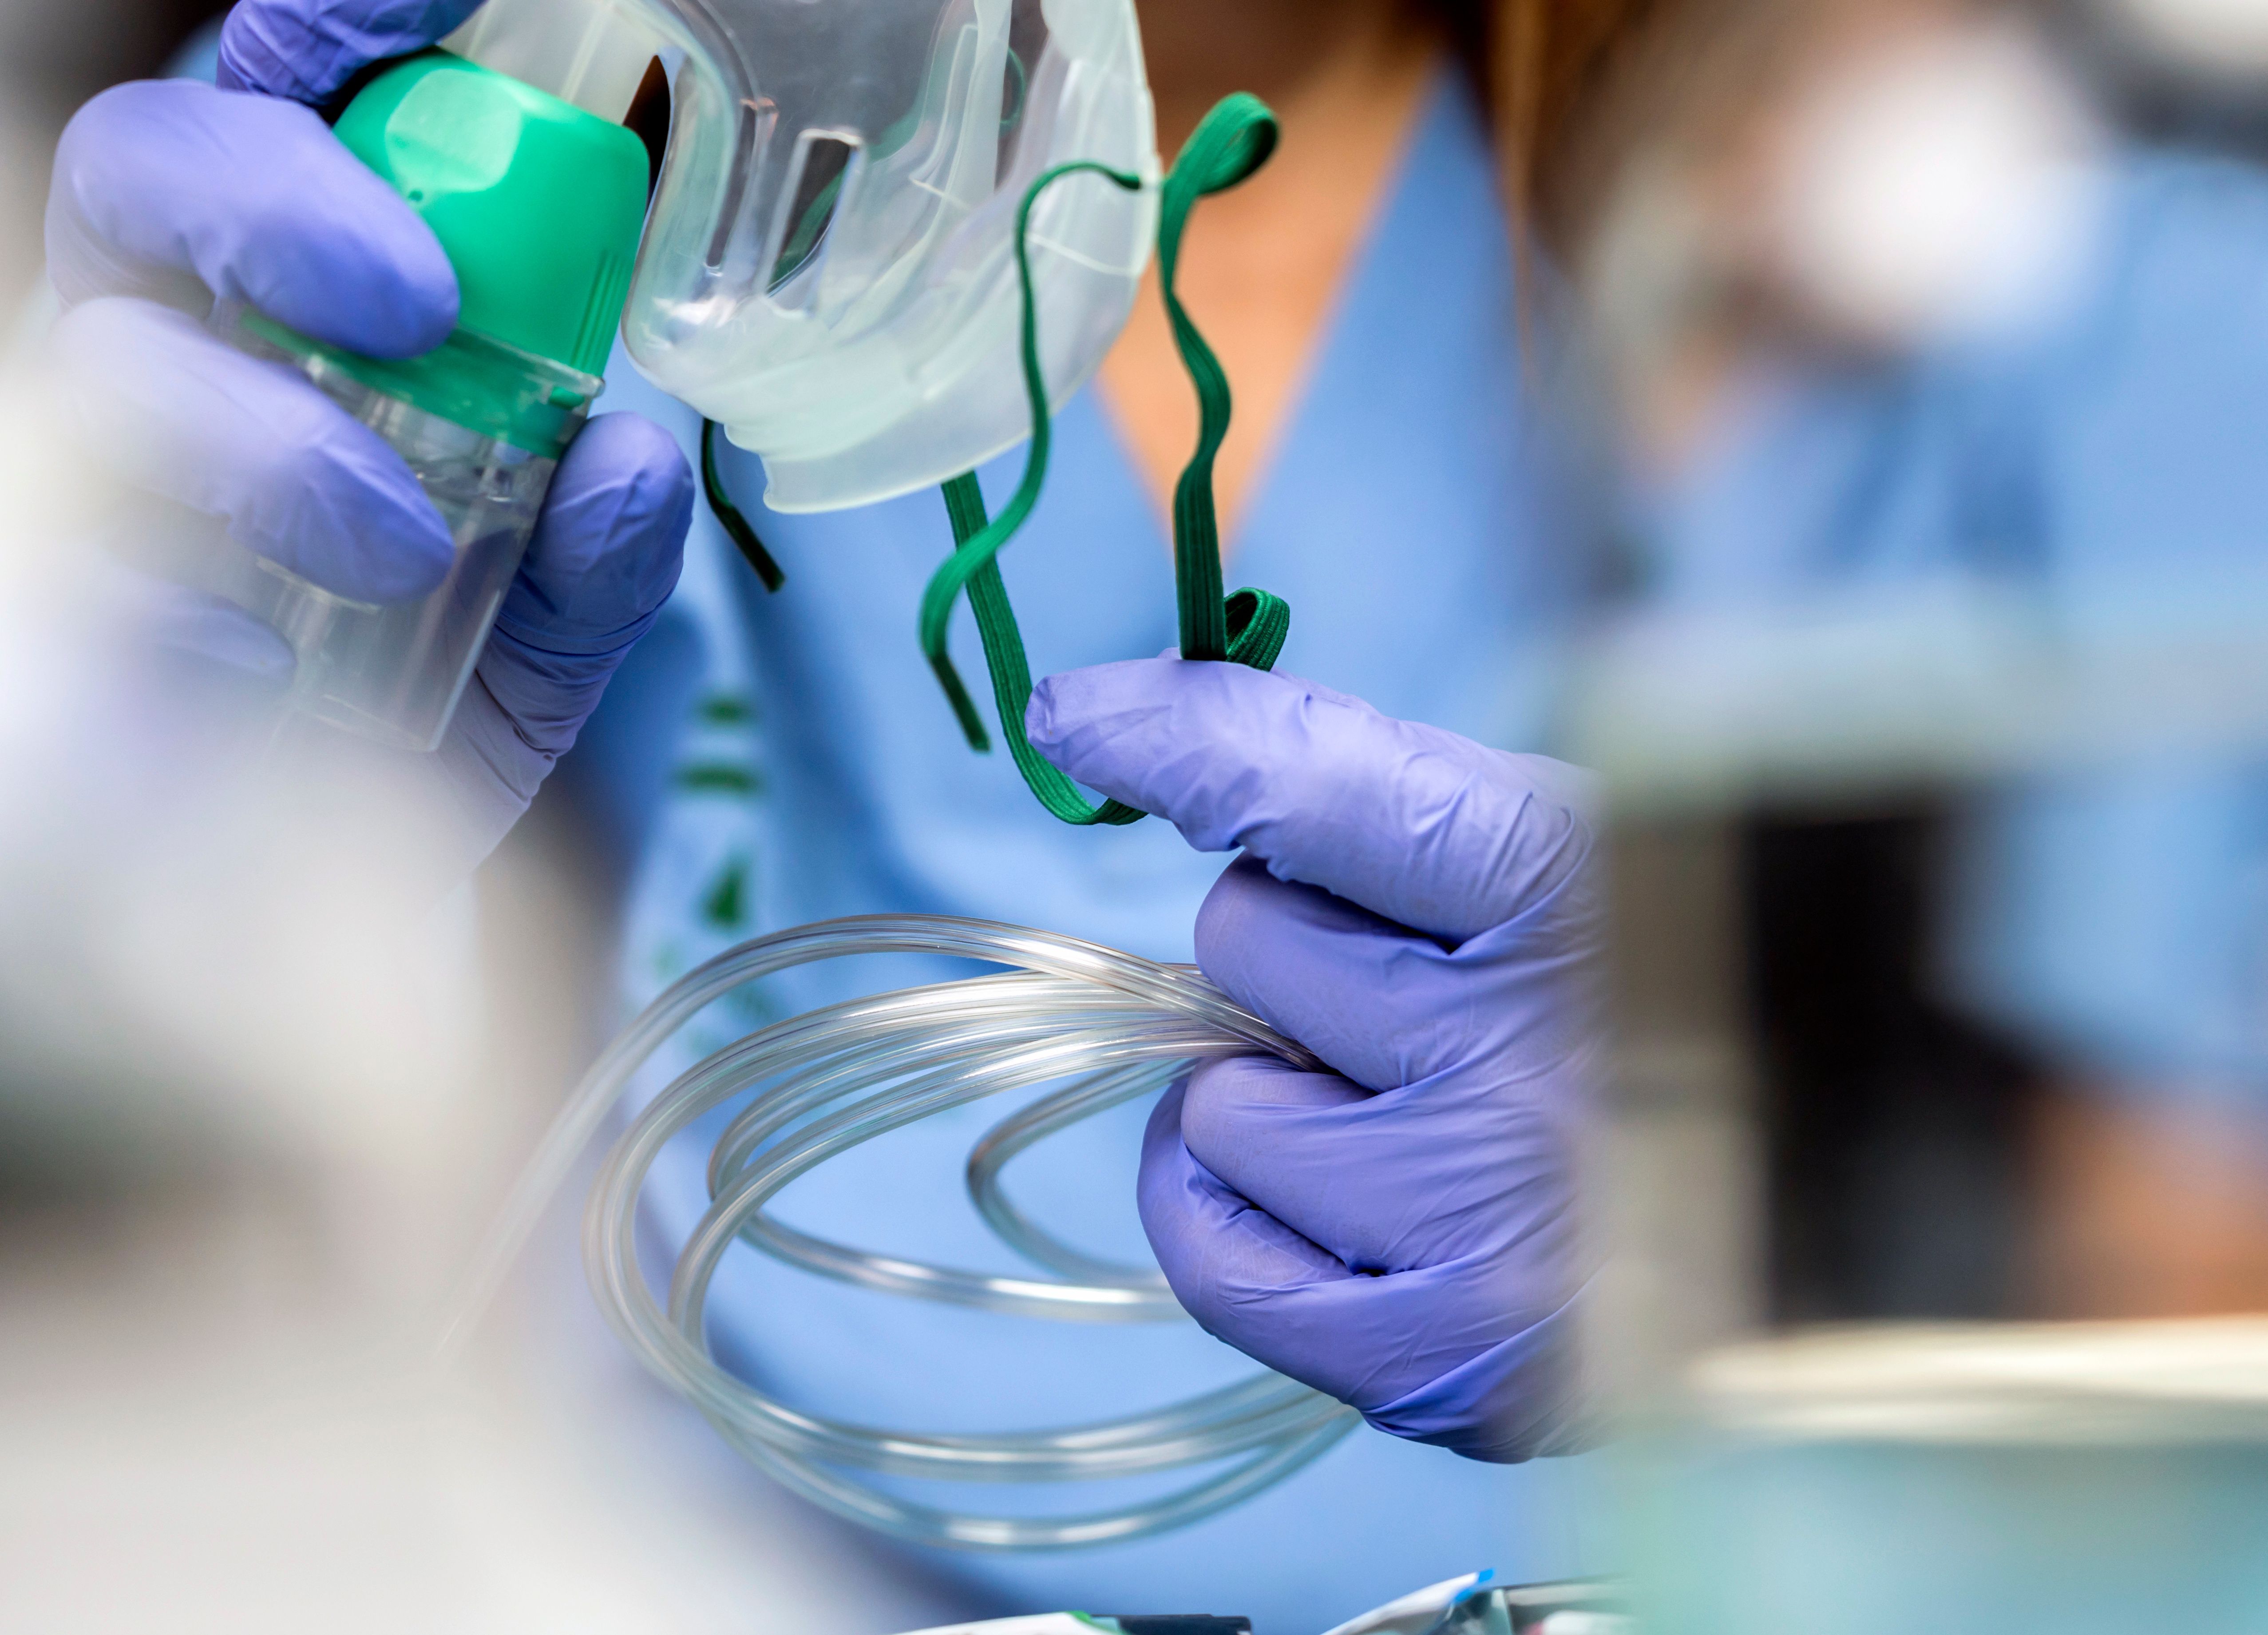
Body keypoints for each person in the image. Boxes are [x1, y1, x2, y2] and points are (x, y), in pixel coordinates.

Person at [41, 0, 1649, 1624]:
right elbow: (140, 1181)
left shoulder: (1790, 209)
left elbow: (1912, 1047)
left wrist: (1735, 1151)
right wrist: (193, 803)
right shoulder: (428, 153)